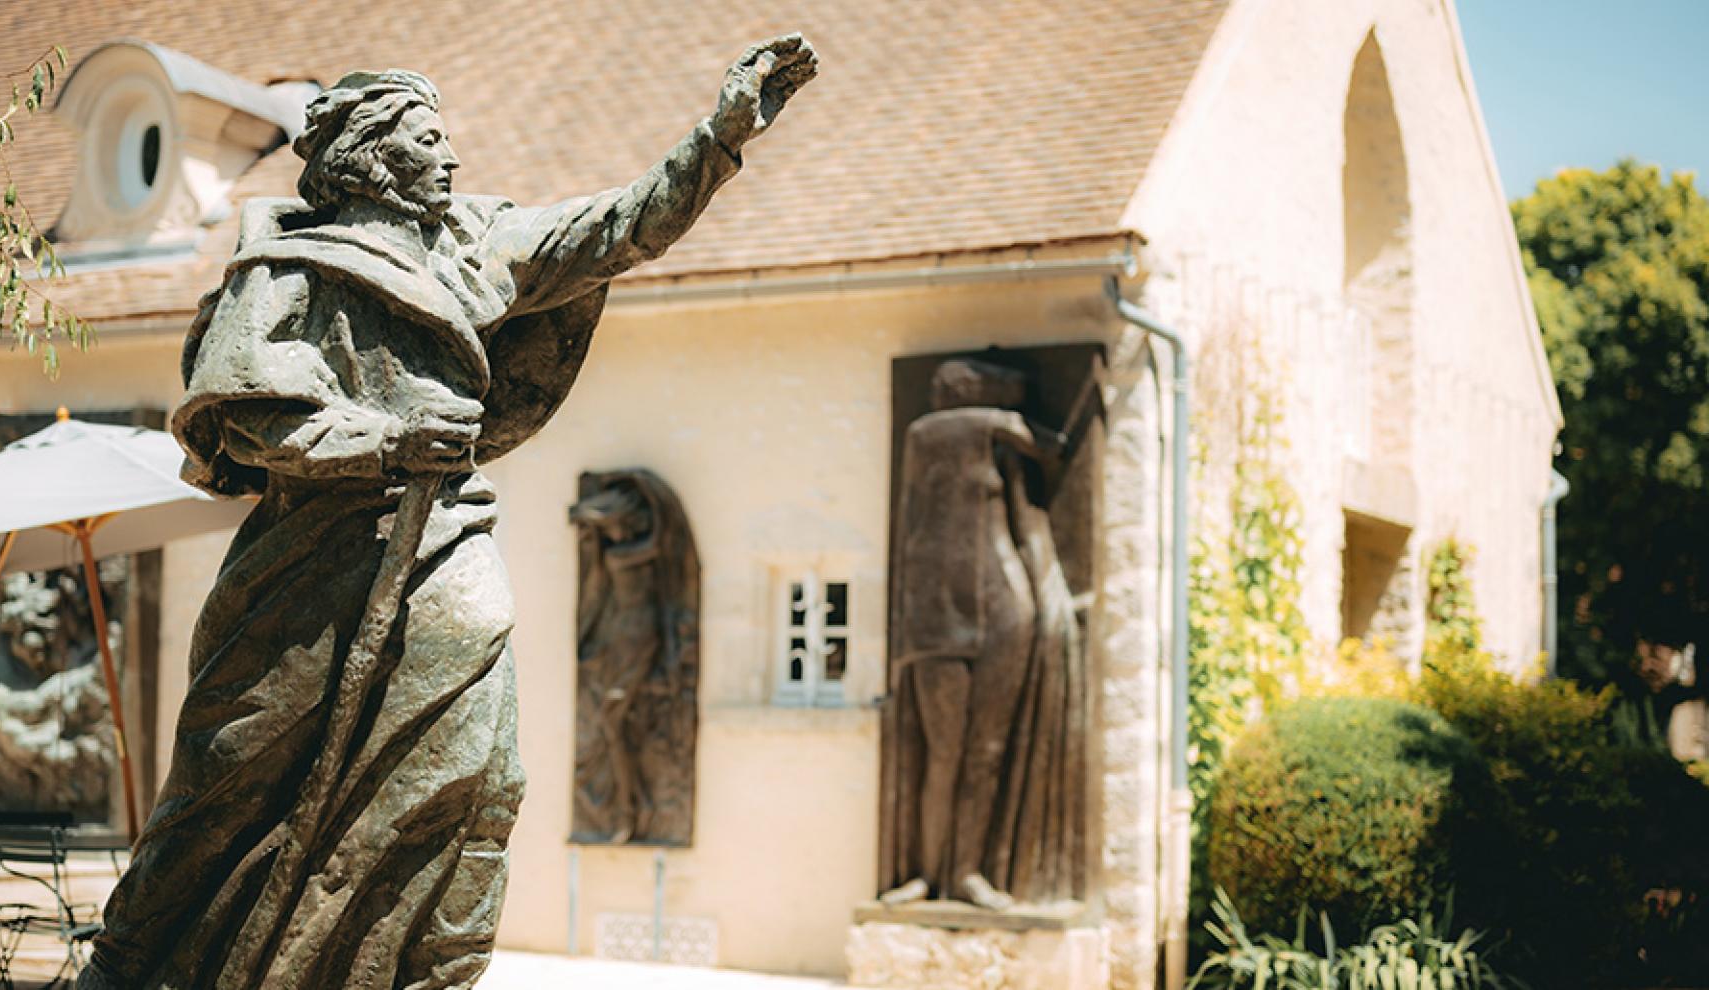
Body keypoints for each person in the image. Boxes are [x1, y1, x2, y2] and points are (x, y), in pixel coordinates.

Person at [79, 35, 816, 990]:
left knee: (486, 783)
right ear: (372, 156)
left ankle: (434, 974)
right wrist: (381, 444)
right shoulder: (285, 268)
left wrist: (718, 138)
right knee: (228, 780)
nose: (453, 158)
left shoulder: (476, 242)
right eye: (429, 139)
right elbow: (247, 420)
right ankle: (128, 964)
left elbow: (617, 227)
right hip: (311, 571)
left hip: (447, 545)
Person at [881, 358, 1083, 911]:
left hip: (1003, 605)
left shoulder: (993, 438)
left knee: (986, 752)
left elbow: (1049, 461)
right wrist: (1004, 418)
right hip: (937, 613)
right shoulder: (930, 434)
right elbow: (1039, 440)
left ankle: (967, 873)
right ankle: (928, 874)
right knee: (944, 751)